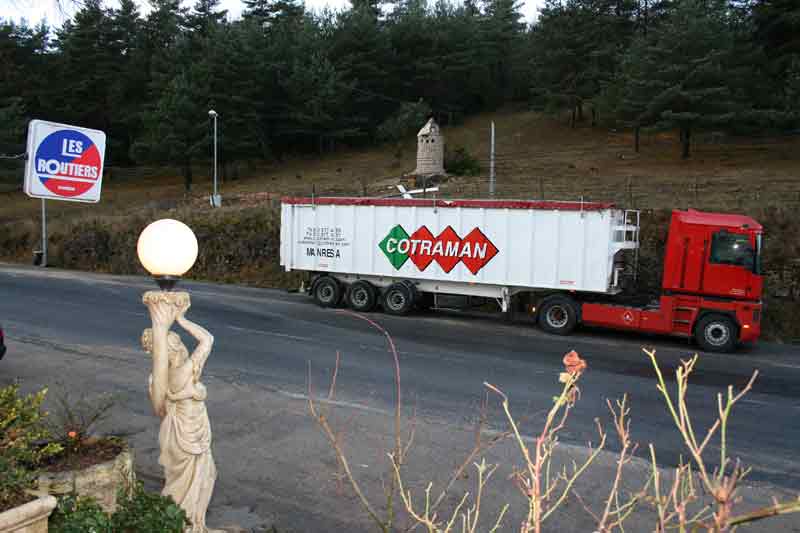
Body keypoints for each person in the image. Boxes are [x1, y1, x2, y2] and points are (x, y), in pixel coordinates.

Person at [142, 292, 219, 533]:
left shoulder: (160, 379)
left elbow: (159, 408)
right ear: (174, 349)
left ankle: (185, 523)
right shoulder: (183, 372)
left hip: (182, 431)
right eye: (179, 344)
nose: (184, 347)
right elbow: (207, 340)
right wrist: (181, 319)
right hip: (186, 434)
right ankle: (185, 524)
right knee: (195, 479)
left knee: (190, 479)